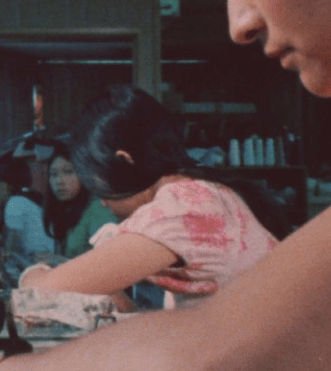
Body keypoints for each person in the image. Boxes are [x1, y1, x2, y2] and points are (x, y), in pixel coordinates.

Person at [0, 0, 331, 369]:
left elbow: (211, 344)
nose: (237, 23)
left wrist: (19, 302)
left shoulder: (180, 205)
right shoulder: (204, 193)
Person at [19, 86, 291, 311]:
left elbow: (40, 294)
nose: (102, 202)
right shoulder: (206, 191)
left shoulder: (176, 210)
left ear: (125, 161)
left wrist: (34, 272)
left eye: (100, 187)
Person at [42, 142, 117, 259]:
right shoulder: (66, 210)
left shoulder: (98, 208)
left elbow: (108, 260)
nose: (59, 181)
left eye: (68, 172)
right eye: (54, 174)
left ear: (84, 174)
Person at [0, 152, 53, 257]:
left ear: (6, 185)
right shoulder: (31, 199)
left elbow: (10, 248)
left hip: (38, 259)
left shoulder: (15, 203)